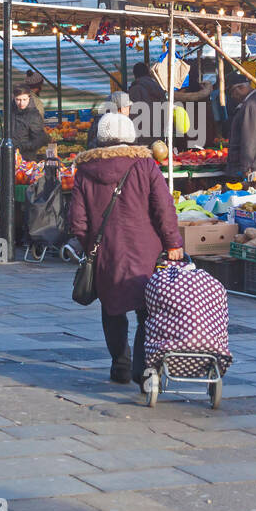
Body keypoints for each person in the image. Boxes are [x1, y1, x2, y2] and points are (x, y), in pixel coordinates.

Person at [68, 112, 183, 389]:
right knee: (147, 309)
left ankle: (120, 364)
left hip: (107, 252)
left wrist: (92, 247)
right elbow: (163, 208)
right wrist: (173, 243)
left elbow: (77, 221)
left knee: (112, 308)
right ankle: (142, 368)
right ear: (130, 135)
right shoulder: (145, 165)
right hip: (146, 249)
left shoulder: (85, 170)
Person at [226, 80, 256, 179]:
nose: (233, 97)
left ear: (240, 88)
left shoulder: (251, 105)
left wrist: (246, 167)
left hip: (254, 165)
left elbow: (249, 138)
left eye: (232, 93)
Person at [12, 85, 50, 161]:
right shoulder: (10, 111)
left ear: (29, 98)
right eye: (18, 99)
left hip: (27, 158)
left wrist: (21, 146)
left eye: (24, 99)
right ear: (13, 98)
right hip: (11, 156)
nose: (21, 103)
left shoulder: (34, 115)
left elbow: (39, 140)